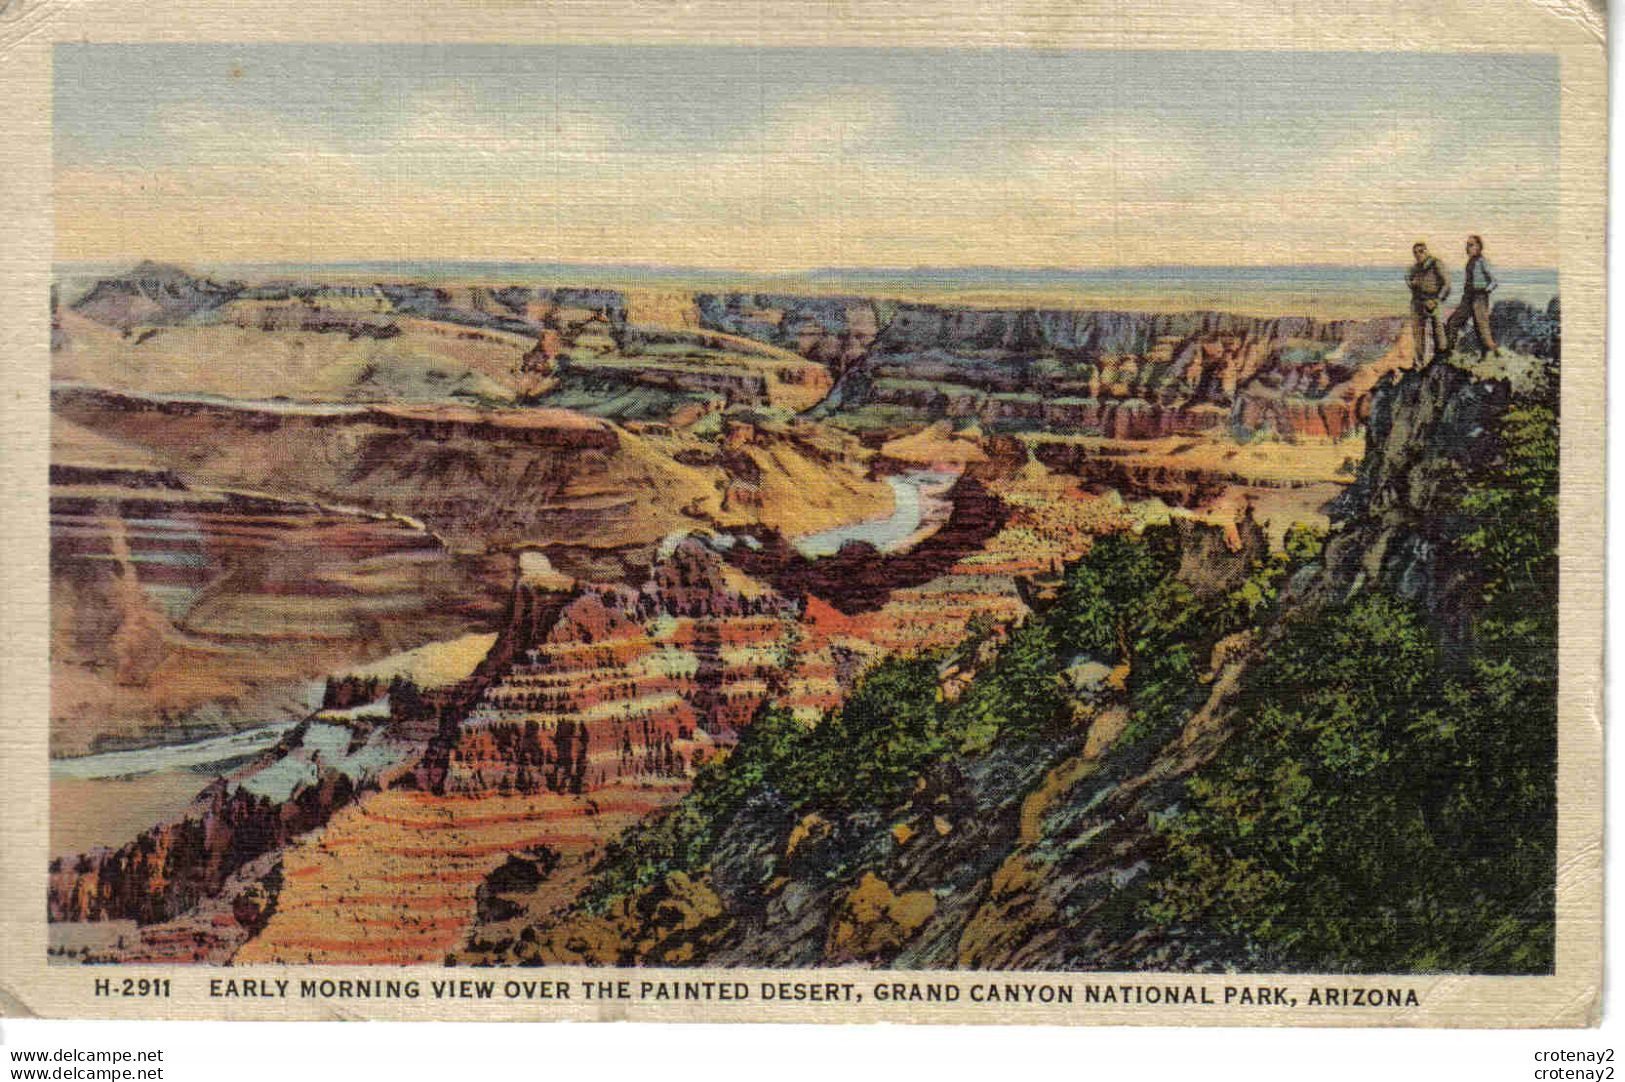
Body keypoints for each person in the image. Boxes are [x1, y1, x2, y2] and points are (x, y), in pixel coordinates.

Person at [1444, 234, 1500, 358]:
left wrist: (1484, 291)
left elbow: (1494, 281)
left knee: (1482, 330)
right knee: (1453, 322)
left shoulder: (1483, 262)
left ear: (1479, 247)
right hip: (1467, 297)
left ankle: (1494, 356)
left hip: (1479, 298)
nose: (1467, 248)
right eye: (1467, 245)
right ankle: (1449, 354)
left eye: (1471, 245)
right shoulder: (1470, 261)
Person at [1405, 241, 1450, 366]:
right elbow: (1409, 278)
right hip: (1418, 300)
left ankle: (1442, 358)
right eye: (1415, 253)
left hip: (1433, 300)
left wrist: (1437, 300)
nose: (1418, 254)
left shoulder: (1436, 264)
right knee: (1418, 333)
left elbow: (1446, 284)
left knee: (1438, 329)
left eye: (1421, 251)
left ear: (1426, 251)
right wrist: (1411, 283)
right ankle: (1420, 362)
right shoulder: (1415, 267)